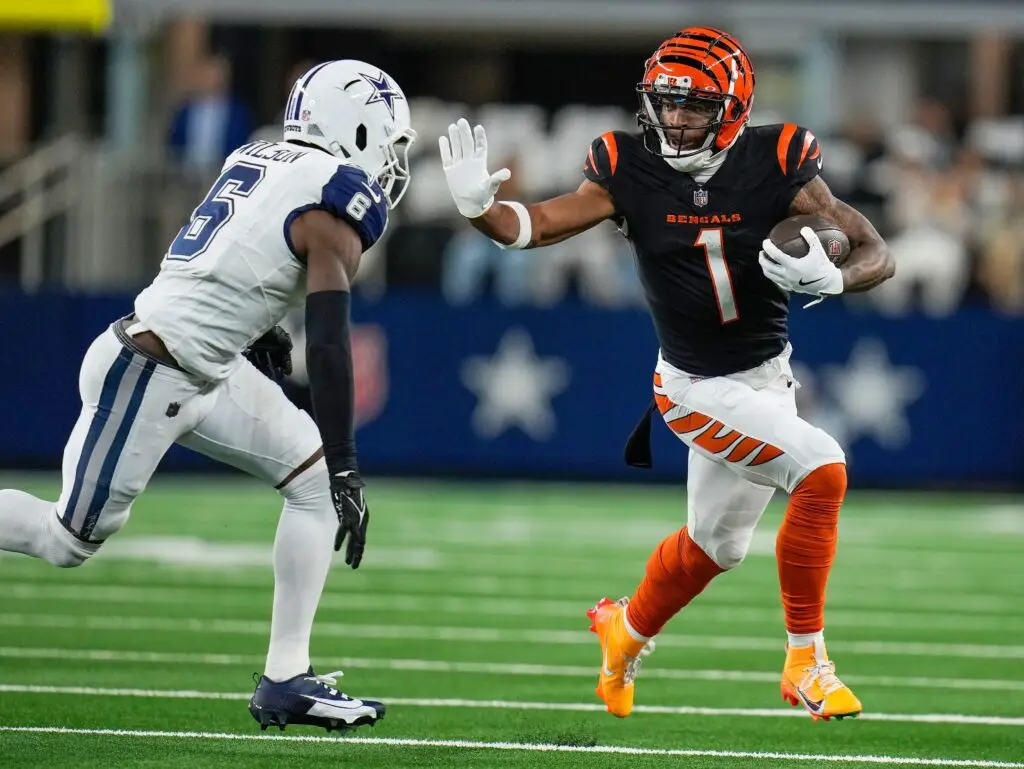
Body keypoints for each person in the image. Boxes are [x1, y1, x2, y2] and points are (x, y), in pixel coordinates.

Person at [439, 27, 893, 722]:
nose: (676, 118)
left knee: (716, 546)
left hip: (767, 375)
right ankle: (807, 661)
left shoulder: (778, 160)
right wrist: (480, 210)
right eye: (666, 103)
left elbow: (873, 251)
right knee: (822, 467)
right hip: (691, 387)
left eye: (695, 106)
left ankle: (624, 632)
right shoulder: (628, 167)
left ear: (735, 106)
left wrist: (833, 277)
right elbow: (537, 224)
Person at [0, 59, 417, 733]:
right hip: (148, 368)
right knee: (67, 540)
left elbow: (236, 255)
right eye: (389, 142)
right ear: (360, 127)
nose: (391, 163)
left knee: (307, 480)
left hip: (205, 365)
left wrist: (263, 329)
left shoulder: (261, 154)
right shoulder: (336, 199)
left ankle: (286, 678)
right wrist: (348, 459)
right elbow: (332, 344)